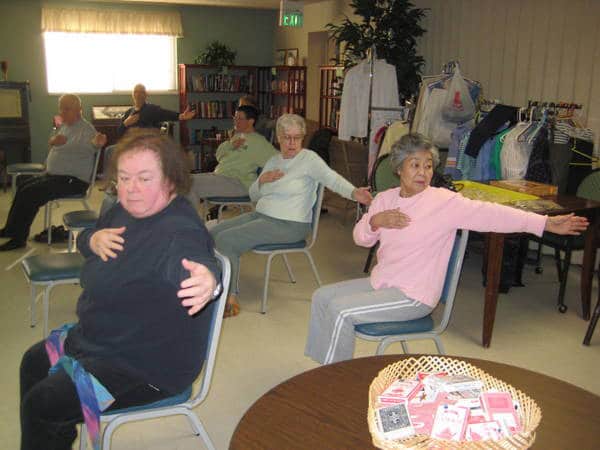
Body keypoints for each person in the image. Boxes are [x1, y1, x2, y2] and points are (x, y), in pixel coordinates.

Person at [305, 133, 589, 365]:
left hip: (413, 296)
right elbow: (360, 239)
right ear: (399, 168)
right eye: (414, 165)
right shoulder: (384, 199)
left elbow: (494, 214)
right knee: (321, 297)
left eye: (428, 165)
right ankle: (321, 369)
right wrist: (376, 222)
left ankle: (333, 382)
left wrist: (545, 224)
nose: (423, 172)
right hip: (383, 283)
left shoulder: (443, 202)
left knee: (341, 311)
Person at [19, 129, 222, 450]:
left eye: (144, 178)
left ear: (170, 179)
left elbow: (194, 258)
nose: (131, 189)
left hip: (144, 368)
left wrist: (207, 281)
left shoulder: (178, 228)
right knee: (32, 362)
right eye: (124, 178)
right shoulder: (123, 210)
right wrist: (92, 240)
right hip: (102, 340)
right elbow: (93, 237)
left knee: (42, 406)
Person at [209, 113, 373, 317]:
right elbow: (252, 195)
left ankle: (229, 298)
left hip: (290, 225)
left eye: (297, 137)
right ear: (278, 137)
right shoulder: (273, 160)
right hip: (263, 215)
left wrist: (354, 193)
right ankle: (215, 282)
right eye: (287, 137)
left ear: (303, 138)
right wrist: (262, 181)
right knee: (214, 233)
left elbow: (333, 179)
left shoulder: (309, 159)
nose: (292, 143)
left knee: (227, 240)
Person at [0, 94, 107, 251]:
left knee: (31, 193)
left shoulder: (87, 130)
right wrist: (53, 141)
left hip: (73, 182)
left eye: (67, 109)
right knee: (23, 187)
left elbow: (93, 144)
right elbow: (53, 140)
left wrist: (98, 143)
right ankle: (10, 229)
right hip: (56, 177)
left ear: (79, 110)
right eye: (61, 109)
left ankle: (18, 238)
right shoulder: (65, 126)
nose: (62, 112)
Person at [187, 105, 277, 206]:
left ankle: (187, 220)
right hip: (220, 176)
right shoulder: (238, 136)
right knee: (185, 180)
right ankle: (186, 219)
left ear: (251, 121)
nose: (235, 121)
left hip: (238, 183)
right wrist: (230, 145)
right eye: (235, 118)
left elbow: (278, 159)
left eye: (240, 118)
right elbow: (218, 155)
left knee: (190, 184)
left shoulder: (259, 142)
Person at [117, 83, 196, 137]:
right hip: (130, 145)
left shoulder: (151, 109)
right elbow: (119, 133)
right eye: (136, 92)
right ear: (133, 95)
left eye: (141, 92)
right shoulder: (128, 113)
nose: (138, 94)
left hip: (146, 144)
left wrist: (181, 116)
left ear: (146, 94)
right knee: (110, 150)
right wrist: (126, 123)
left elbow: (166, 114)